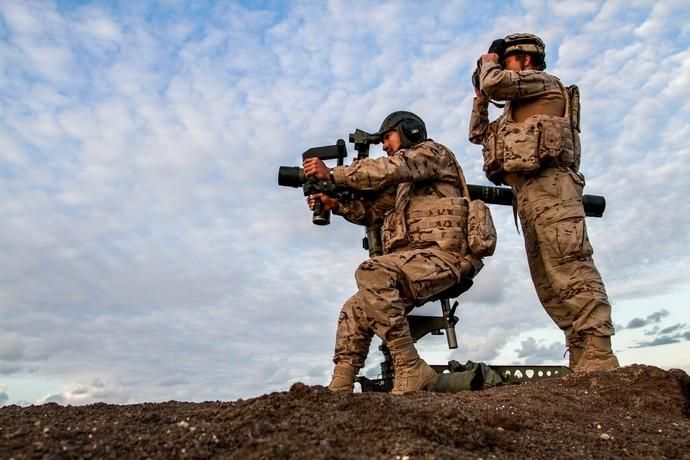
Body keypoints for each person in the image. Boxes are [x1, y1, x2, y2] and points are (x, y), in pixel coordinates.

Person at [303, 111, 493, 394]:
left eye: (387, 137)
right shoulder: (405, 186)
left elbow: (389, 169)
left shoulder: (431, 153)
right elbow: (373, 212)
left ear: (409, 131)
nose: (384, 145)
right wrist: (336, 205)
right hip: (416, 261)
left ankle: (409, 367)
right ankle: (340, 385)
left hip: (447, 257)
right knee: (354, 309)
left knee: (371, 272)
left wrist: (334, 173)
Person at [468, 33, 619, 372]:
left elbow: (495, 84)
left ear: (525, 59)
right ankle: (581, 352)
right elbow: (477, 133)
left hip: (553, 189)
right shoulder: (512, 111)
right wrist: (479, 97)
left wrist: (487, 64)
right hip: (527, 197)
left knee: (571, 268)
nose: (500, 66)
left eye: (505, 60)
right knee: (548, 282)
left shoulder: (545, 83)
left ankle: (599, 350)